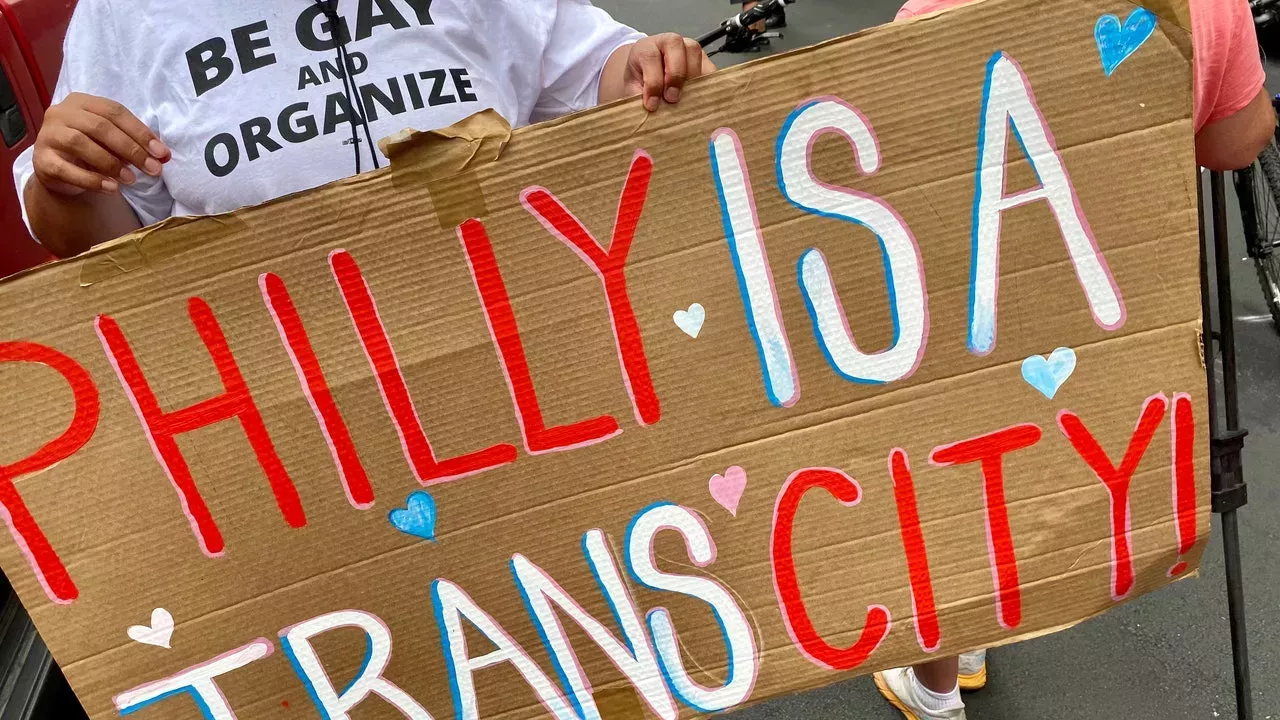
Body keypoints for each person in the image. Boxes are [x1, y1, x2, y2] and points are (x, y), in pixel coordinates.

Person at [874, 2, 1272, 718]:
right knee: (1037, 464)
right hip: (1120, 315)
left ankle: (938, 683)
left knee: (967, 477)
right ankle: (979, 633)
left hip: (983, 306)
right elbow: (1238, 140)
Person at [13, 0, 715, 258]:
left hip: (521, 349)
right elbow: (96, 240)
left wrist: (651, 67)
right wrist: (63, 178)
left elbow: (600, 78)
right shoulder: (123, 15)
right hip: (289, 408)